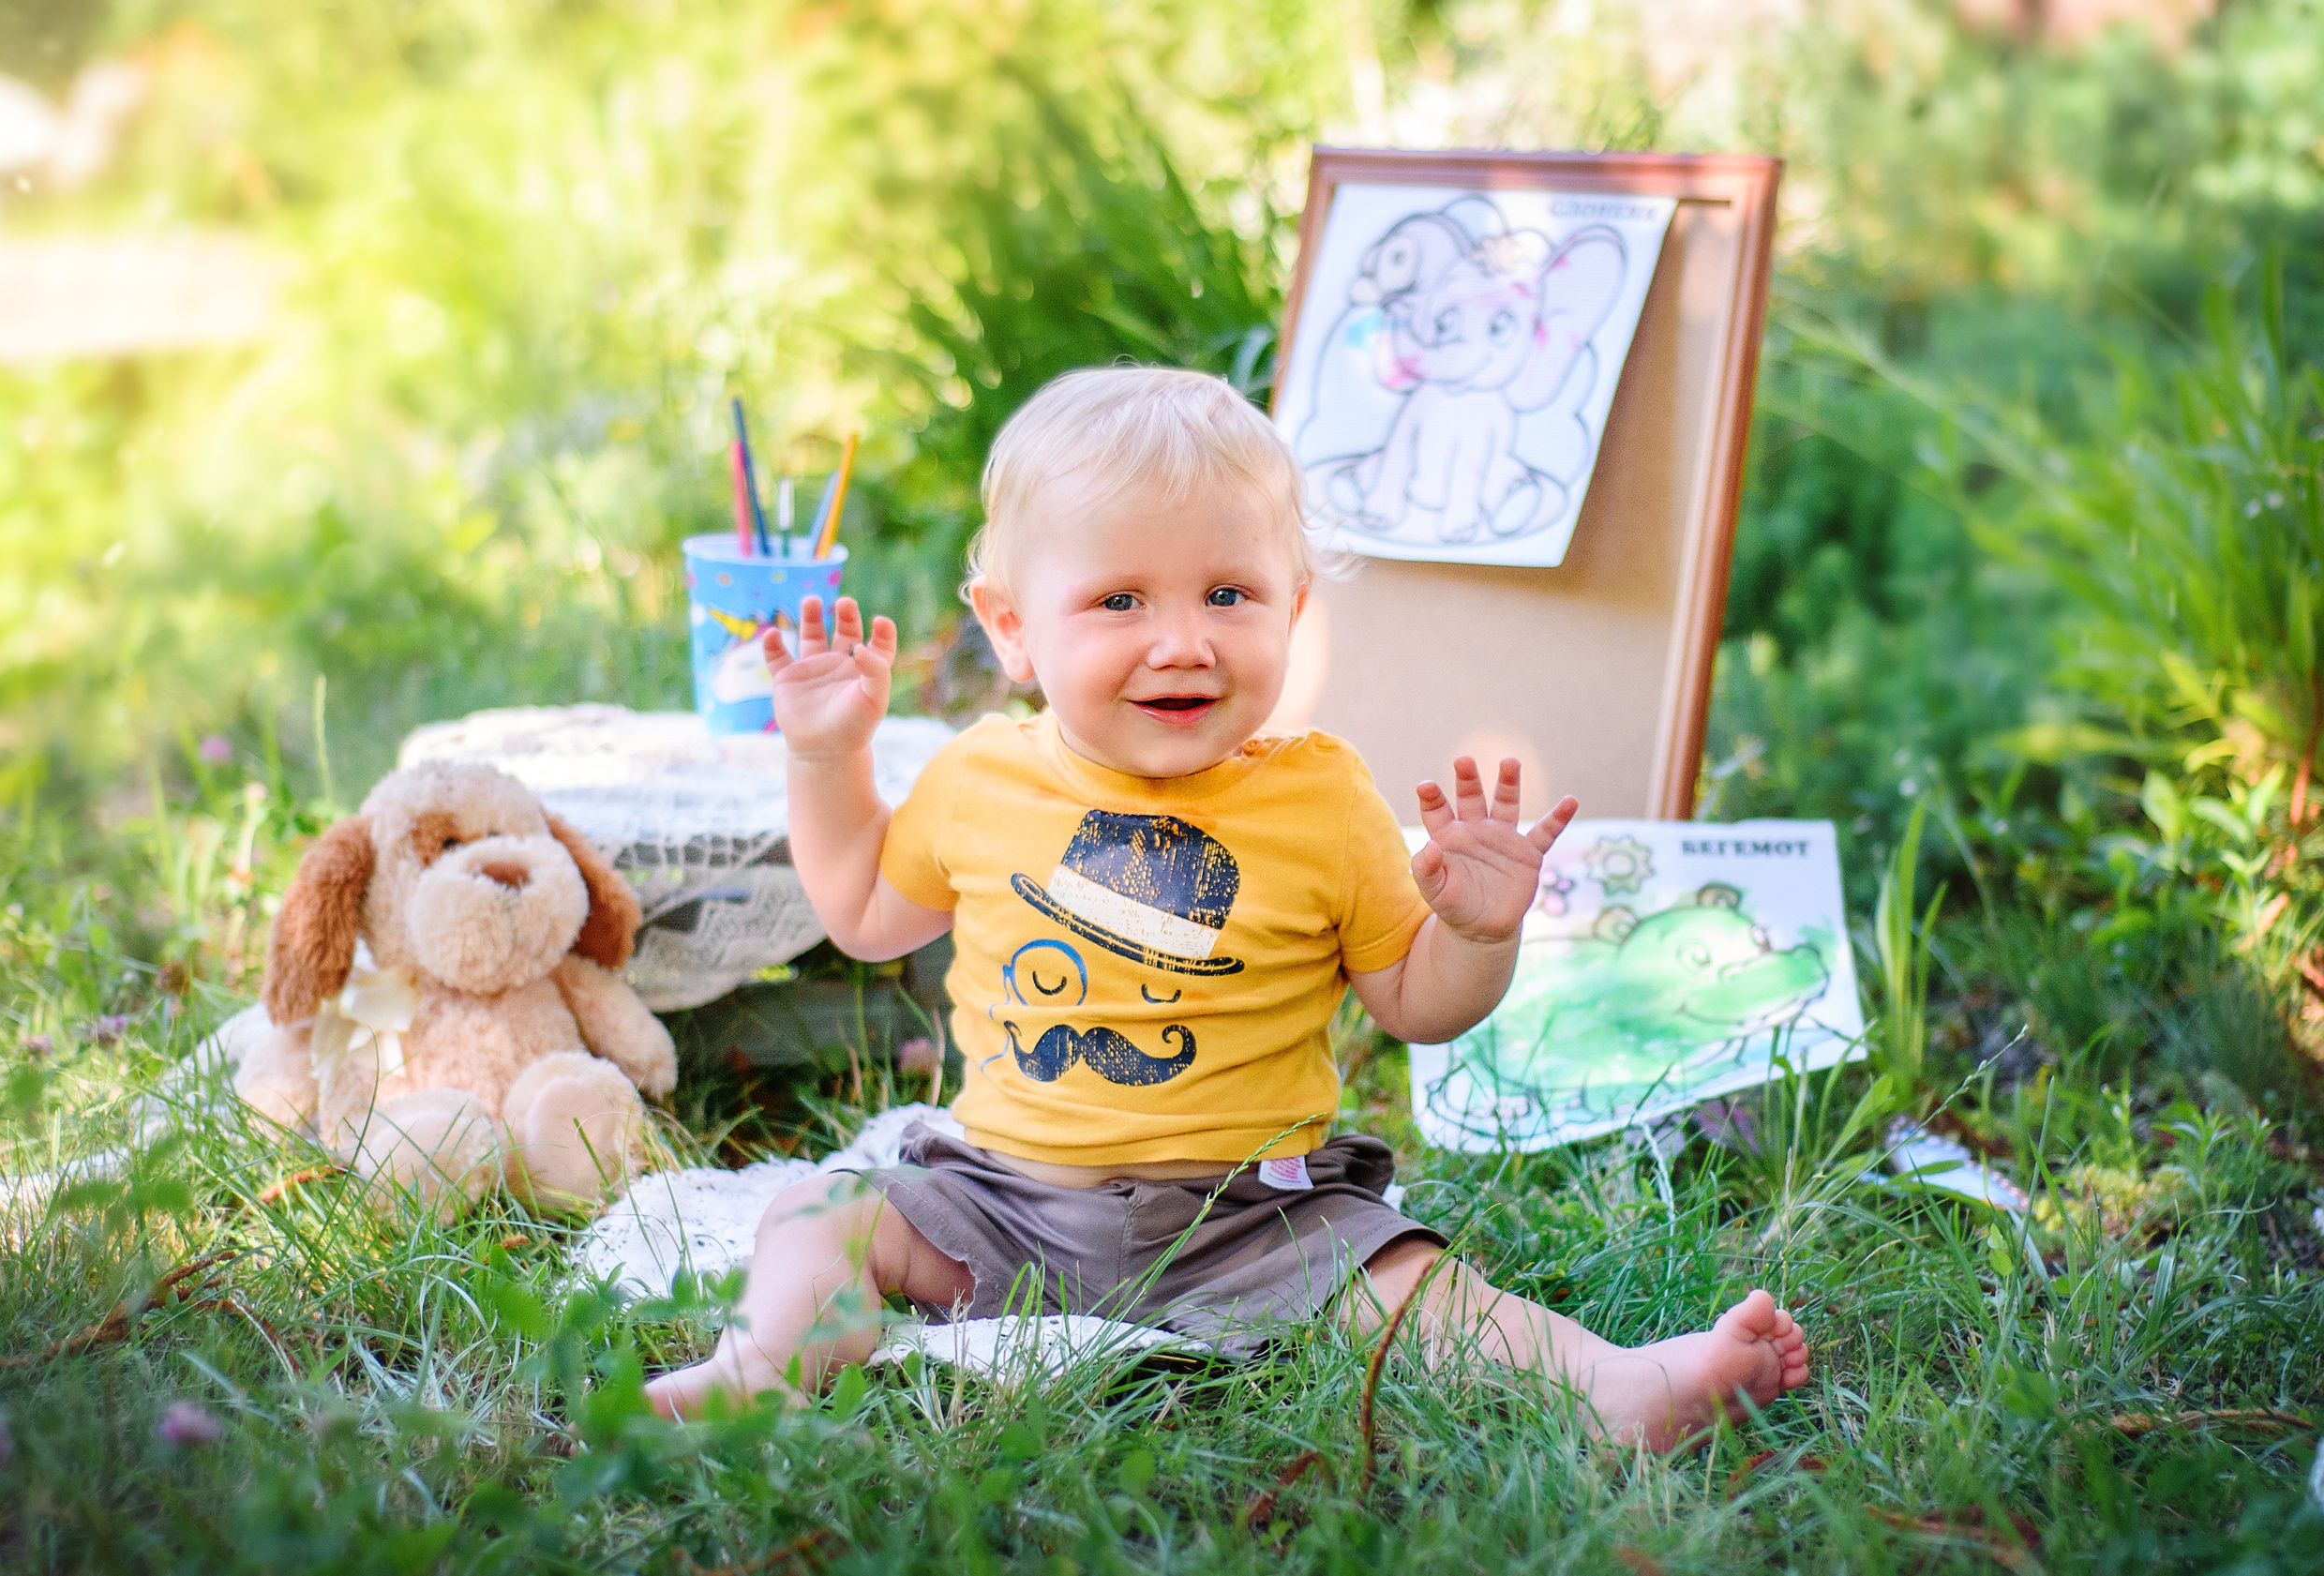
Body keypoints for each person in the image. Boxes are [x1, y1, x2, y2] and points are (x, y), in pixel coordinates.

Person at [647, 368, 1807, 1446]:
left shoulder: (1322, 794)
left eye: (1226, 592)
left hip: (1249, 1215)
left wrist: (1477, 929)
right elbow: (859, 914)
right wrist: (825, 759)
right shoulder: (978, 778)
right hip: (999, 1206)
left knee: (1415, 1285)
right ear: (1011, 628)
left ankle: (1617, 1385)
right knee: (824, 1210)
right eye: (1117, 599)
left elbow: (1413, 1005)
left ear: (1291, 610)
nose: (1182, 640)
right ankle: (775, 1354)